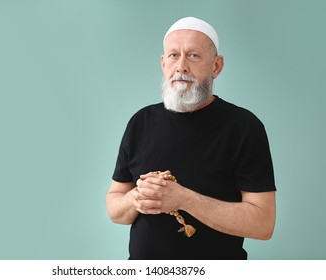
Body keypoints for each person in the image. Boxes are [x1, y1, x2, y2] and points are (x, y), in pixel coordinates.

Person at [106, 17, 276, 260]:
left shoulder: (244, 127)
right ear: (163, 64)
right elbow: (115, 207)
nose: (182, 66)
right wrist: (137, 198)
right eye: (174, 55)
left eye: (193, 56)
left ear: (216, 66)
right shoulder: (140, 122)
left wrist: (184, 199)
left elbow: (263, 224)